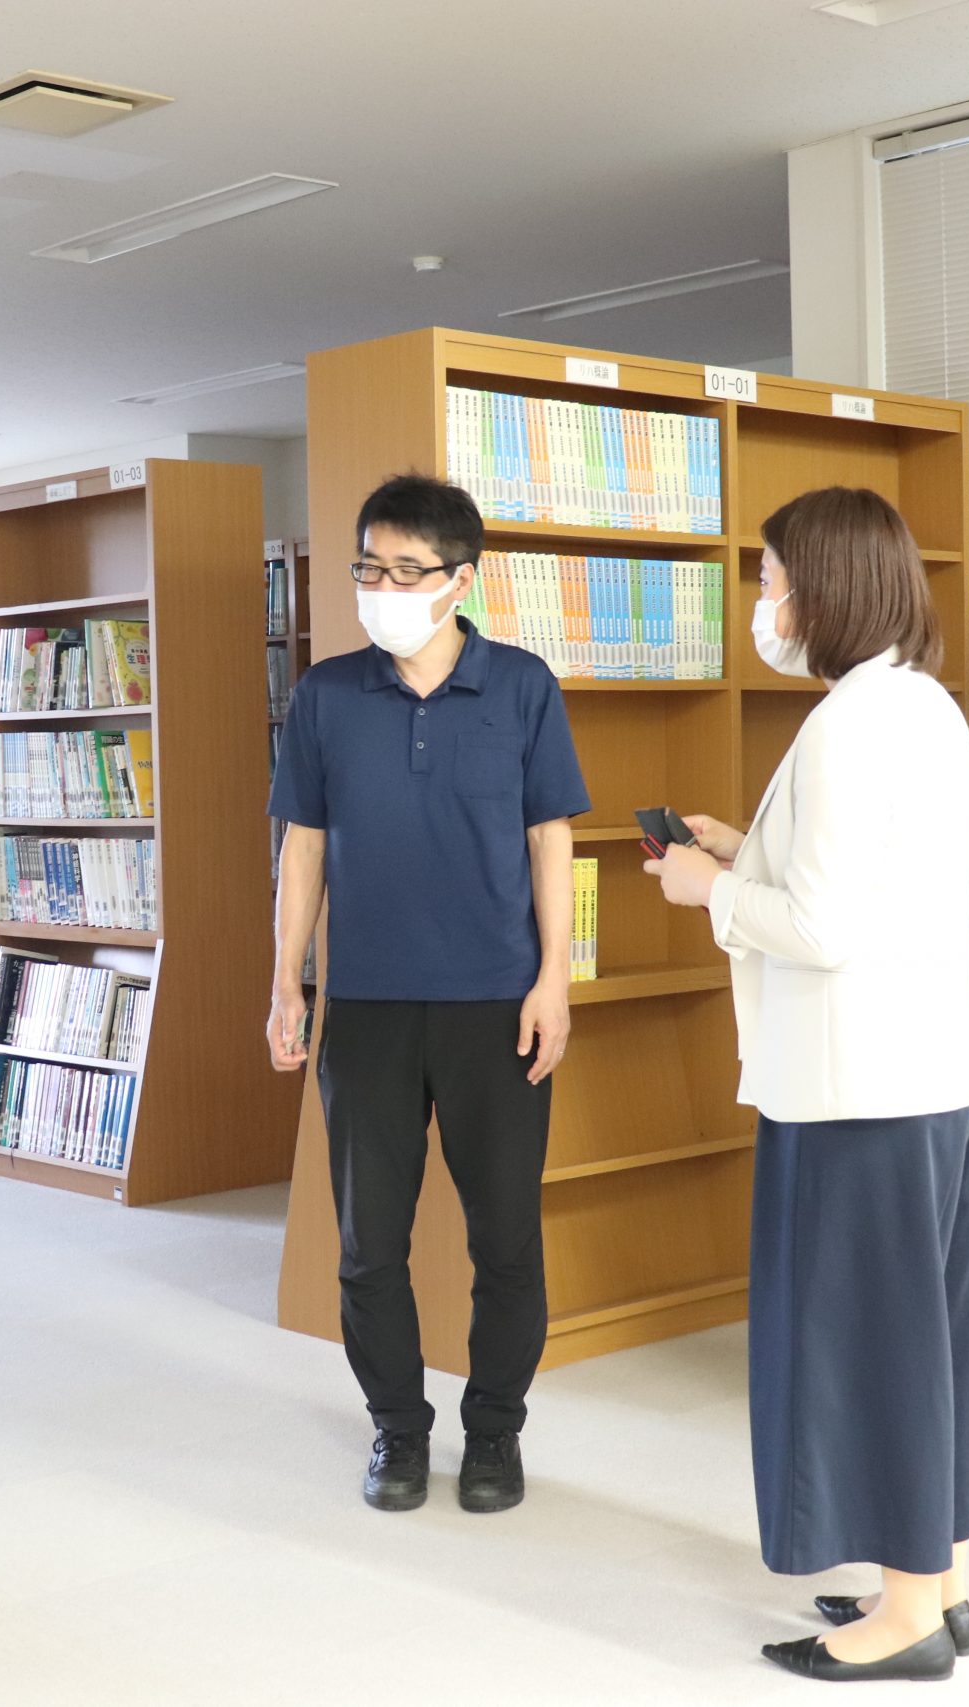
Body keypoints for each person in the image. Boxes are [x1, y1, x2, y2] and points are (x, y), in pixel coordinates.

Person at [644, 486, 969, 1685]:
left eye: (767, 580)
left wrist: (709, 892)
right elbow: (871, 888)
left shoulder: (850, 724)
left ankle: (904, 1622)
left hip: (866, 1090)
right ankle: (935, 1584)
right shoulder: (923, 705)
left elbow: (822, 929)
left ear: (823, 588)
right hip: (945, 1071)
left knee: (872, 1351)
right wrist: (743, 850)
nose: (761, 604)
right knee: (931, 1344)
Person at [266, 473, 589, 1515]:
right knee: (369, 1247)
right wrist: (287, 979)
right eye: (370, 567)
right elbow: (303, 846)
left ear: (461, 580)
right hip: (366, 1010)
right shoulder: (325, 695)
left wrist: (553, 979)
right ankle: (397, 1430)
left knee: (507, 1242)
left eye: (408, 571)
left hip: (497, 1006)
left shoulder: (522, 687)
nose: (384, 588)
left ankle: (494, 1433)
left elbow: (550, 839)